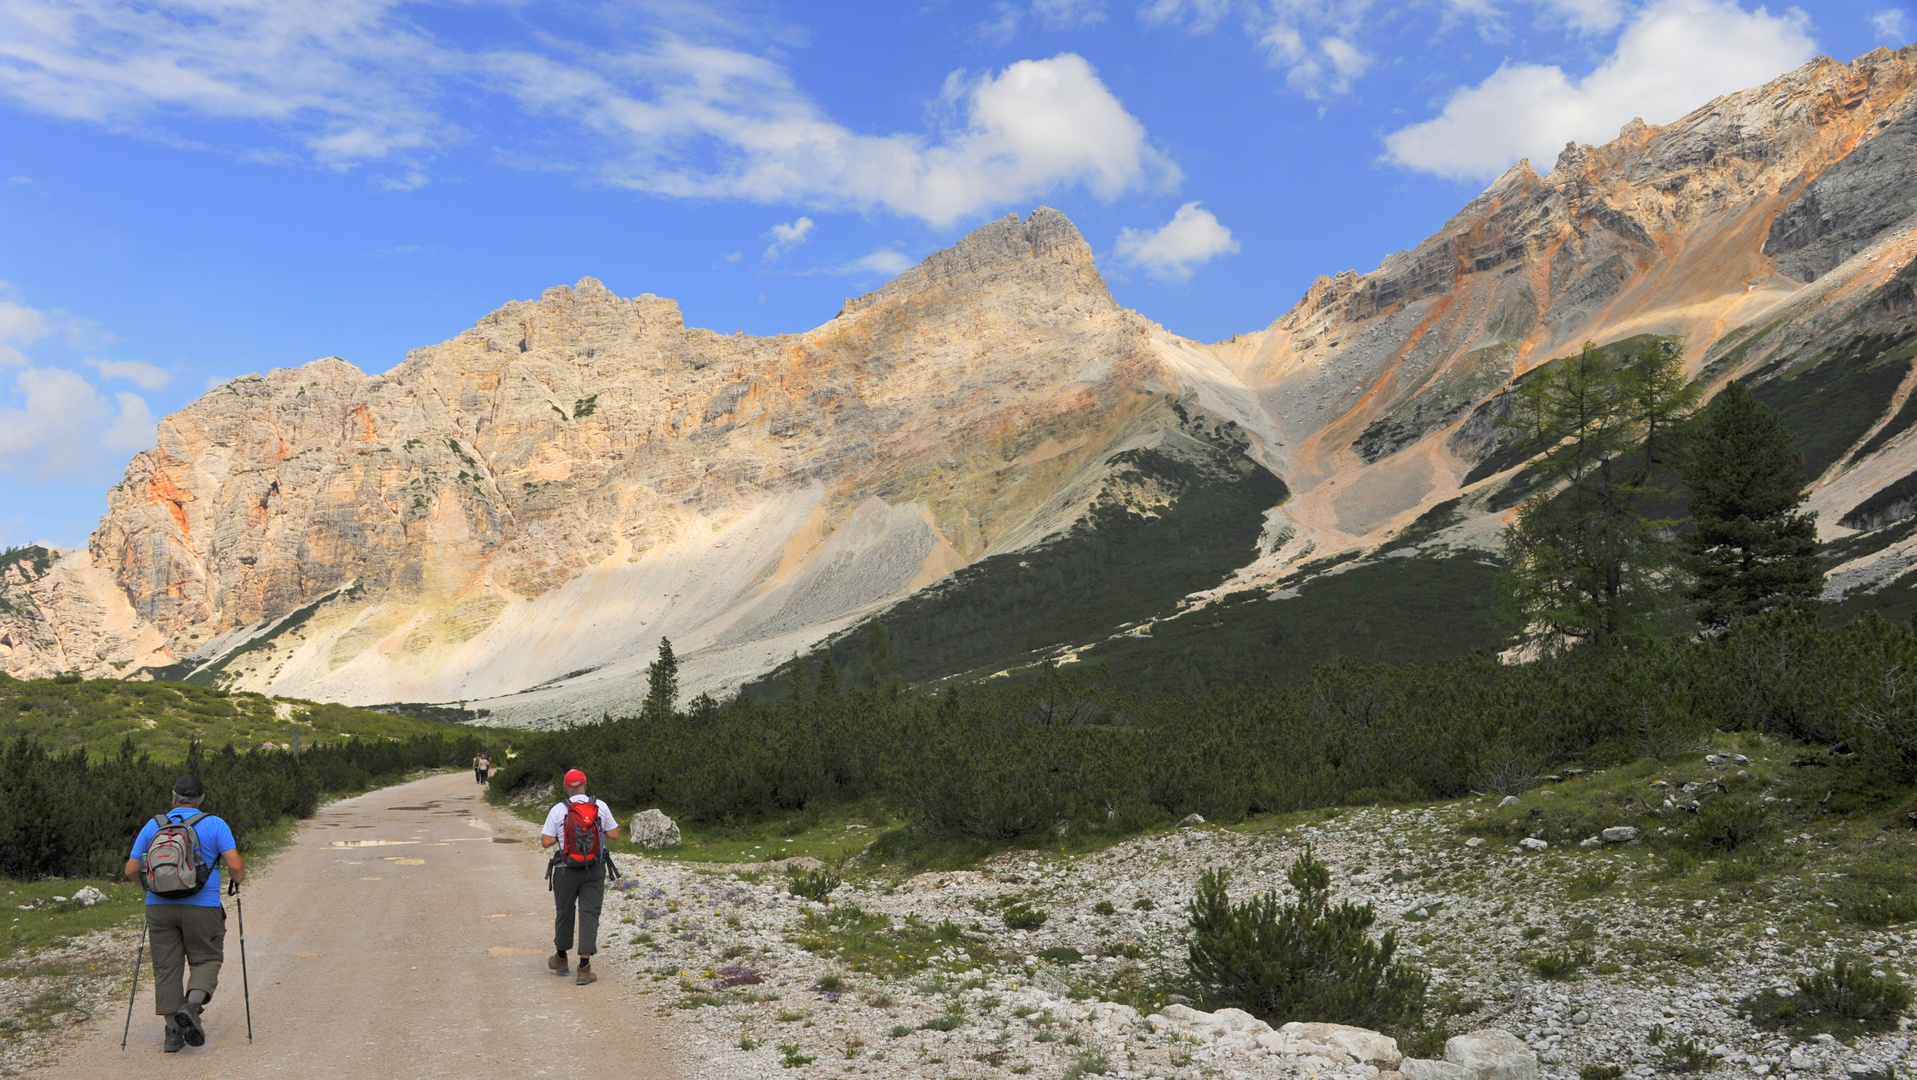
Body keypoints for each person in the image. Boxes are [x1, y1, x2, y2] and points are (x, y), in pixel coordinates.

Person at [123, 774, 244, 1053]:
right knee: (207, 958)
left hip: (158, 907)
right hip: (202, 907)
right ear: (202, 798)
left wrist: (153, 888)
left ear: (173, 797)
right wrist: (238, 879)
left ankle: (173, 1034)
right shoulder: (215, 824)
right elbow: (235, 866)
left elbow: (131, 870)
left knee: (166, 967)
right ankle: (191, 1006)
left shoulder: (154, 825)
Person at [540, 769, 621, 985]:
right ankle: (584, 969)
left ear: (566, 787)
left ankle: (561, 958)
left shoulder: (558, 809)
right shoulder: (600, 806)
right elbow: (615, 834)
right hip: (594, 868)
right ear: (585, 785)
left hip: (565, 869)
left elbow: (546, 841)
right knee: (589, 913)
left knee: (565, 912)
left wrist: (563, 837)